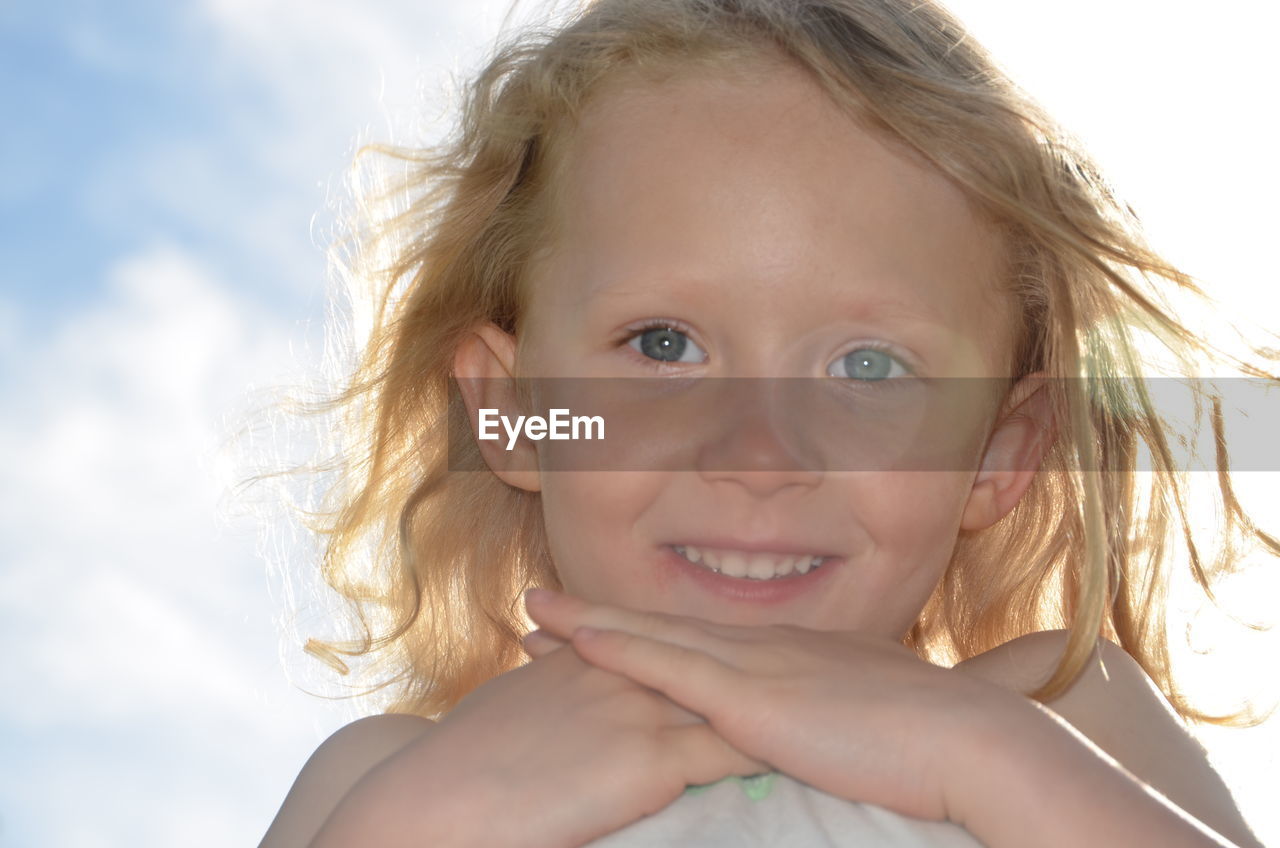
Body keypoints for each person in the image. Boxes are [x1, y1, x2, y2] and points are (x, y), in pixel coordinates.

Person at [255, 0, 1277, 845]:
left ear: (997, 455)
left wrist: (976, 754)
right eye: (663, 345)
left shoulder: (1060, 713)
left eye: (867, 366)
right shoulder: (392, 776)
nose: (758, 453)